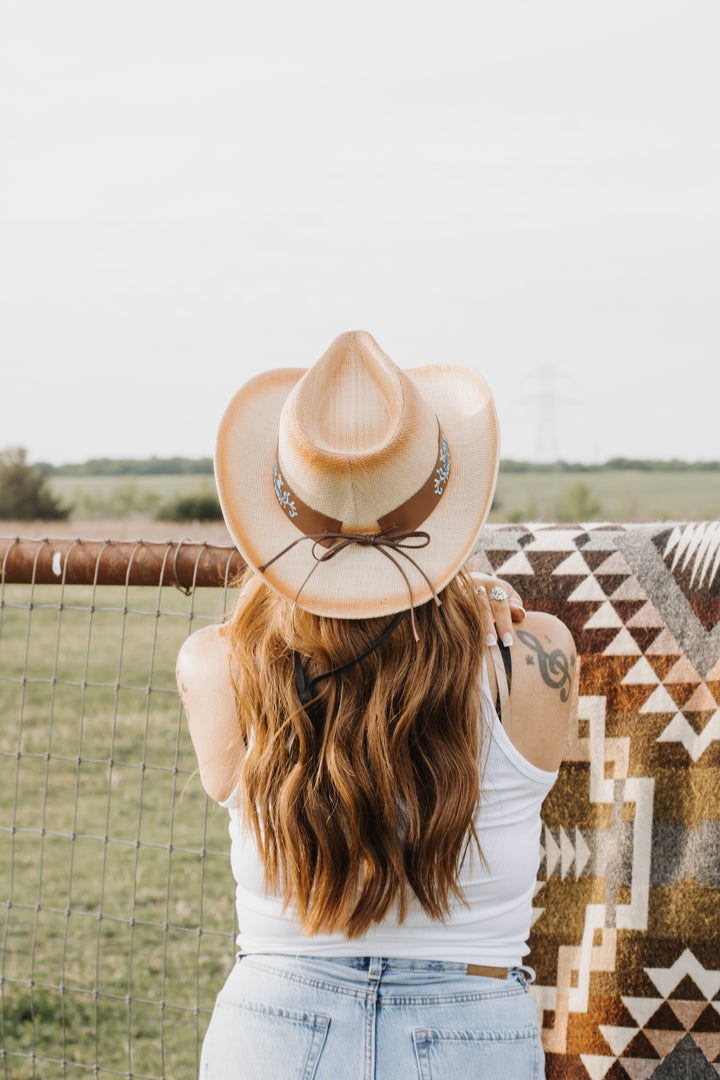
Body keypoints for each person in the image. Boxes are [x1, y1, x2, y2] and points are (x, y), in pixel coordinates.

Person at [176, 330, 576, 1079]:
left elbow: (288, 625)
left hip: (269, 1029)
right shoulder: (533, 656)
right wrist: (469, 587)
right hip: (469, 1035)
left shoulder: (215, 664)